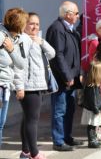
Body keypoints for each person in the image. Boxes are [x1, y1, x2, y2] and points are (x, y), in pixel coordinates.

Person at [46, 1, 83, 151]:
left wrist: (77, 74)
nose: (78, 15)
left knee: (69, 109)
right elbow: (58, 55)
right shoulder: (57, 29)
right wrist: (67, 76)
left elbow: (75, 53)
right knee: (59, 110)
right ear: (68, 14)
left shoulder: (70, 29)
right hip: (62, 78)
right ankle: (59, 141)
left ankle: (67, 137)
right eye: (76, 13)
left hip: (71, 78)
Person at [17, 12, 55, 159]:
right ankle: (34, 153)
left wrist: (41, 41)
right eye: (31, 23)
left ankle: (26, 151)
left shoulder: (37, 40)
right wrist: (20, 86)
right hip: (29, 86)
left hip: (37, 84)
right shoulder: (23, 40)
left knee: (27, 118)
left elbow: (52, 53)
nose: (34, 26)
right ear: (24, 24)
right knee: (32, 120)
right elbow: (19, 66)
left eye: (37, 24)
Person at [0, 8, 27, 149]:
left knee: (1, 124)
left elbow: (21, 63)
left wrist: (11, 50)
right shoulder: (1, 36)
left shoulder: (14, 39)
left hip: (5, 87)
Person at [81, 61, 101, 148]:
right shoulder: (91, 86)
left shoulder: (95, 85)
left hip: (94, 109)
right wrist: (96, 109)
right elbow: (93, 100)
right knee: (91, 126)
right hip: (92, 110)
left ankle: (94, 139)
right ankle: (92, 141)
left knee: (95, 126)